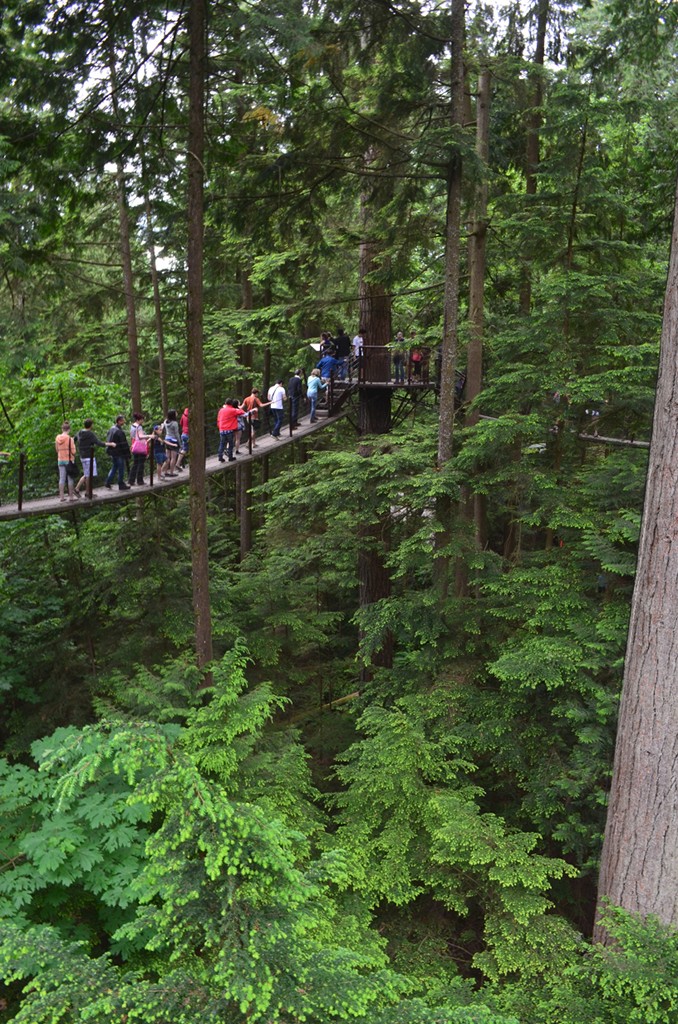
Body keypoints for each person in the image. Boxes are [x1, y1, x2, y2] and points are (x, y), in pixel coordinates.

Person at [75, 418, 115, 498]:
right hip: (89, 456)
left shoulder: (79, 432)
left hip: (82, 456)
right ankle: (82, 490)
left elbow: (73, 440)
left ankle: (85, 491)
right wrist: (110, 444)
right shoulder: (90, 434)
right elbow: (98, 443)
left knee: (87, 474)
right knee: (89, 474)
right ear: (91, 425)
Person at [104, 415, 131, 491]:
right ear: (119, 421)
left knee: (114, 467)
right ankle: (121, 483)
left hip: (112, 452)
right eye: (123, 420)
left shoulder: (111, 429)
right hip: (119, 453)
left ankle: (108, 482)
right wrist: (127, 454)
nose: (124, 422)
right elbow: (123, 444)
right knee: (121, 468)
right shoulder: (119, 431)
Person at [55, 421, 79, 502]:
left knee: (61, 478)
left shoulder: (57, 438)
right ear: (69, 429)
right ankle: (71, 497)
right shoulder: (70, 439)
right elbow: (74, 452)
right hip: (68, 461)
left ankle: (61, 497)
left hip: (60, 460)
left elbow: (57, 449)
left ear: (62, 429)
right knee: (70, 479)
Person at [129, 413, 152, 486]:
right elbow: (140, 436)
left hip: (135, 446)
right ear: (139, 420)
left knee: (135, 464)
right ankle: (140, 480)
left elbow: (132, 436)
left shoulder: (132, 426)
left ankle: (131, 480)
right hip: (140, 447)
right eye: (142, 419)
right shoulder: (139, 427)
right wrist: (149, 435)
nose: (143, 421)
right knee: (141, 464)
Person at [163, 409, 181, 476]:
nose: (177, 413)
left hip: (167, 439)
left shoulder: (165, 422)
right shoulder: (175, 423)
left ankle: (165, 472)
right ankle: (171, 472)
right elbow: (177, 434)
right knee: (173, 458)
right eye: (176, 413)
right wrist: (179, 443)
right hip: (173, 440)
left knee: (167, 457)